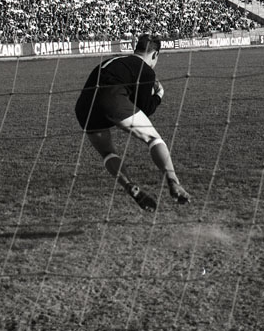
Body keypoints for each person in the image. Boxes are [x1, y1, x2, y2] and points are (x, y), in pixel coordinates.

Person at [74, 34, 191, 211]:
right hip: (111, 100)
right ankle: (173, 182)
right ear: (155, 54)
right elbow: (145, 108)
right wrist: (159, 95)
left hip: (83, 108)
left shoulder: (115, 60)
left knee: (107, 153)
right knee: (153, 138)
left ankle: (129, 185)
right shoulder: (146, 70)